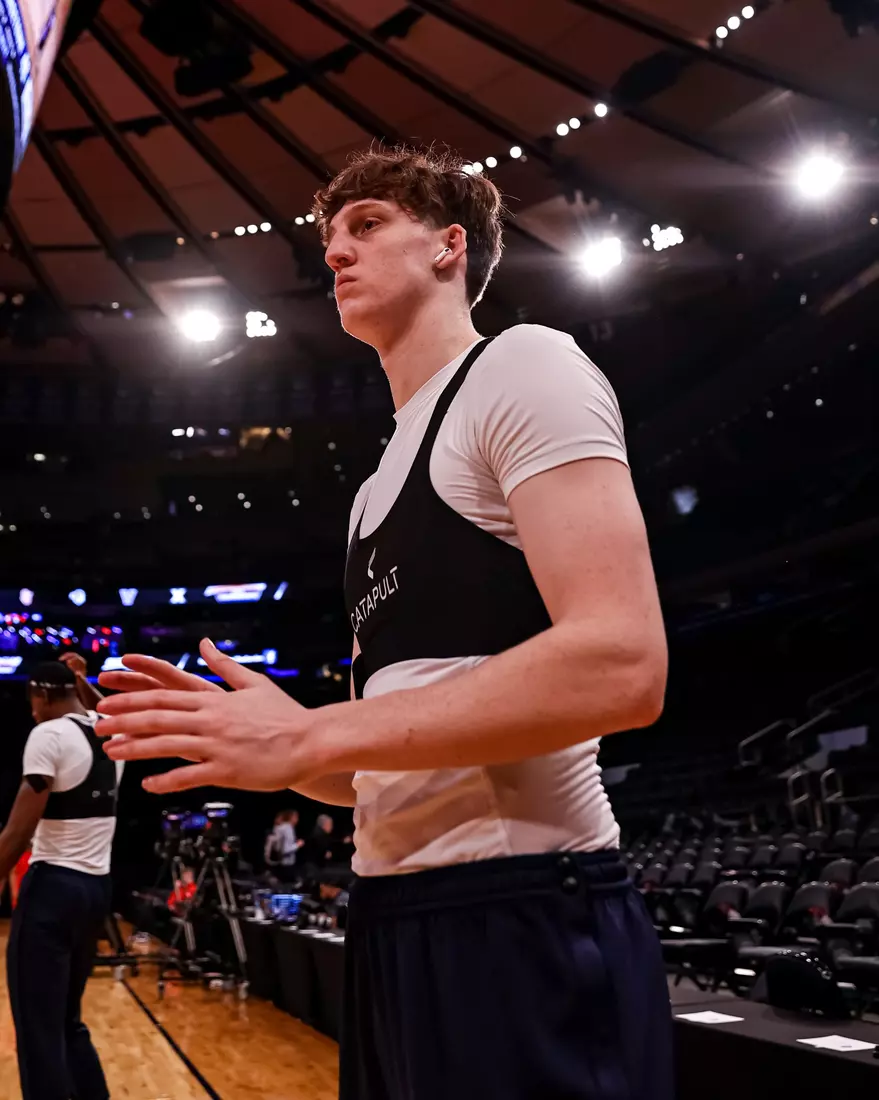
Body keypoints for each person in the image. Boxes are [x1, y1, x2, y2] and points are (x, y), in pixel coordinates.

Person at [96, 146, 672, 1099]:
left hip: (524, 909)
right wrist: (272, 744)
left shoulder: (523, 363)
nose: (335, 253)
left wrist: (312, 732)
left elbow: (621, 664)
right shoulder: (371, 493)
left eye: (366, 225)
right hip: (392, 920)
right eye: (329, 238)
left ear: (450, 246)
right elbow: (380, 762)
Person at [0, 657, 122, 1100]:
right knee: (68, 1021)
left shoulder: (48, 735)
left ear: (42, 694)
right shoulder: (110, 733)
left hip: (52, 888)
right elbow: (102, 709)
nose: (32, 711)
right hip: (96, 891)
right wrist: (81, 680)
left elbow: (18, 832)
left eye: (32, 700)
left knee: (38, 1031)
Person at [264, 809, 302, 873]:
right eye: (296, 817)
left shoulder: (283, 828)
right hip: (285, 864)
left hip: (282, 863)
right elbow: (284, 850)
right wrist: (298, 845)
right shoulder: (286, 829)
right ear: (291, 817)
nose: (297, 820)